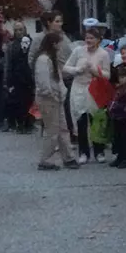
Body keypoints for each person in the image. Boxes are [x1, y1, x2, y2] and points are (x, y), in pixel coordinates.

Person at [64, 27, 112, 164]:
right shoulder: (78, 51)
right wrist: (77, 70)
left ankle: (99, 151)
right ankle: (83, 152)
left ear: (98, 40)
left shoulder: (103, 54)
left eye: (92, 38)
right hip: (79, 88)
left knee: (96, 121)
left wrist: (94, 70)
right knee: (81, 121)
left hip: (95, 88)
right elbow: (66, 67)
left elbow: (107, 75)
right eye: (87, 38)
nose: (89, 40)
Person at [34, 32, 80, 171]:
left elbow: (58, 78)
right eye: (59, 43)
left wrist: (62, 92)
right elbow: (43, 82)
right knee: (52, 130)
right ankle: (45, 159)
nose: (61, 46)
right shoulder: (43, 59)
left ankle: (68, 157)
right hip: (48, 98)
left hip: (56, 97)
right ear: (53, 44)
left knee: (63, 128)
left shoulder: (51, 58)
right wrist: (52, 94)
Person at [3, 21, 34, 133]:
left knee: (29, 101)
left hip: (29, 77)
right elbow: (8, 64)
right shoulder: (11, 46)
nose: (19, 32)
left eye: (21, 29)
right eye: (16, 30)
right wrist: (7, 81)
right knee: (18, 102)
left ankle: (29, 123)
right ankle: (20, 123)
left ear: (25, 30)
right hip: (16, 78)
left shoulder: (31, 43)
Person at [107, 66, 126, 169]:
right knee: (118, 138)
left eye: (124, 77)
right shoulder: (119, 89)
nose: (121, 79)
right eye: (120, 77)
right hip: (118, 117)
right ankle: (120, 157)